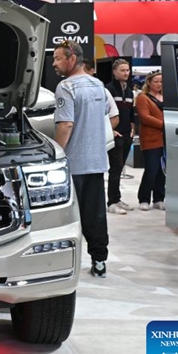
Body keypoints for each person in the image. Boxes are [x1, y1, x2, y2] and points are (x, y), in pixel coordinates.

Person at [52, 40, 113, 279]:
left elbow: (66, 124)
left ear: (72, 58)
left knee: (64, 216)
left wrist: (56, 154)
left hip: (73, 164)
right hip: (96, 162)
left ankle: (62, 265)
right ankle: (99, 261)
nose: (55, 63)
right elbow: (108, 114)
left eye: (58, 58)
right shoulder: (98, 85)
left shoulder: (66, 87)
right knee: (96, 214)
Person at [105, 59, 136, 215]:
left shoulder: (130, 91)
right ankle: (112, 202)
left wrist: (132, 128)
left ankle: (117, 199)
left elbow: (130, 113)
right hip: (115, 135)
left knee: (120, 166)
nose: (126, 73)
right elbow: (104, 113)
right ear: (115, 72)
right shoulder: (108, 90)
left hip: (126, 135)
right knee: (115, 168)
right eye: (123, 70)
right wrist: (110, 130)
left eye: (128, 70)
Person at [135, 70, 166, 211]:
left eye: (161, 81)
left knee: (162, 171)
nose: (159, 84)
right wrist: (165, 124)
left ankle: (159, 198)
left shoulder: (165, 97)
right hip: (150, 139)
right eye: (156, 81)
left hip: (166, 138)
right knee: (151, 169)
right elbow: (145, 117)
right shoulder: (143, 98)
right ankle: (144, 198)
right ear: (149, 82)